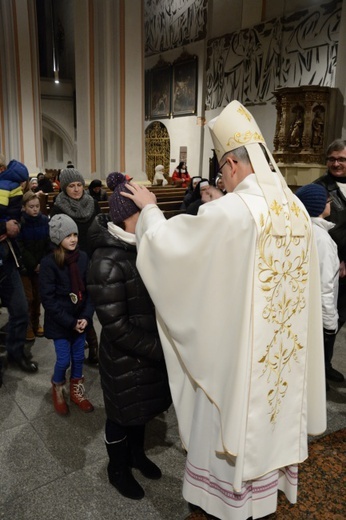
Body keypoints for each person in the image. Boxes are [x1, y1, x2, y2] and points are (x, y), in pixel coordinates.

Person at [121, 100, 326, 520]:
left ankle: (225, 503)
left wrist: (149, 210)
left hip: (237, 362)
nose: (221, 179)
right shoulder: (295, 212)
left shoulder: (234, 212)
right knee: (270, 411)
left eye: (220, 169)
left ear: (232, 164)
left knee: (226, 414)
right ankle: (262, 496)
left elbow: (171, 250)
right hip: (281, 360)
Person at [87, 175, 171, 500]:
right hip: (125, 356)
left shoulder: (140, 247)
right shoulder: (107, 262)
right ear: (127, 217)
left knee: (141, 410)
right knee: (121, 416)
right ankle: (117, 470)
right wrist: (157, 348)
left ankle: (137, 456)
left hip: (147, 351)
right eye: (145, 212)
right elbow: (115, 326)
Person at [39, 214, 94, 415]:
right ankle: (58, 387)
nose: (73, 239)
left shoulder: (83, 258)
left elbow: (89, 292)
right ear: (57, 238)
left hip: (80, 320)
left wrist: (86, 318)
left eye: (75, 234)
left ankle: (76, 392)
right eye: (68, 235)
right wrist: (71, 322)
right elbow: (49, 300)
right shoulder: (49, 263)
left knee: (78, 358)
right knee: (63, 360)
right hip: (61, 323)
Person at [50, 168, 100, 364]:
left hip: (92, 258)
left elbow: (100, 228)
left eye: (79, 185)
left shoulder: (92, 204)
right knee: (78, 302)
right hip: (72, 260)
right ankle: (89, 342)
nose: (77, 189)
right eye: (71, 186)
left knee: (91, 300)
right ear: (64, 188)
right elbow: (55, 238)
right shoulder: (58, 208)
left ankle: (93, 344)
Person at [295, 183, 341, 389]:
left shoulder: (305, 230)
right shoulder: (322, 238)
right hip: (320, 312)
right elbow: (326, 284)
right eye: (328, 201)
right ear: (319, 206)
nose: (330, 204)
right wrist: (330, 321)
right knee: (318, 352)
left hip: (307, 309)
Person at [0, 155, 38, 374]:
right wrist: (4, 226)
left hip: (6, 256)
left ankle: (15, 353)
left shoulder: (8, 186)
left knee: (20, 309)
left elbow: (15, 218)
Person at [314, 138, 346, 382]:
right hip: (337, 267)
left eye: (342, 159)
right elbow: (322, 228)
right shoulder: (320, 188)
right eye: (332, 159)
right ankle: (322, 368)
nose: (336, 164)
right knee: (330, 320)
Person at [17, 191, 50, 342]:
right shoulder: (21, 222)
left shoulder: (44, 221)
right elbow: (20, 246)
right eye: (31, 207)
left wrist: (42, 262)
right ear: (24, 207)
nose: (35, 209)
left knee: (38, 297)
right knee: (27, 298)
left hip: (40, 265)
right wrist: (33, 264)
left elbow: (48, 243)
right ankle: (28, 326)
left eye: (37, 206)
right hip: (25, 266)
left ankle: (37, 324)